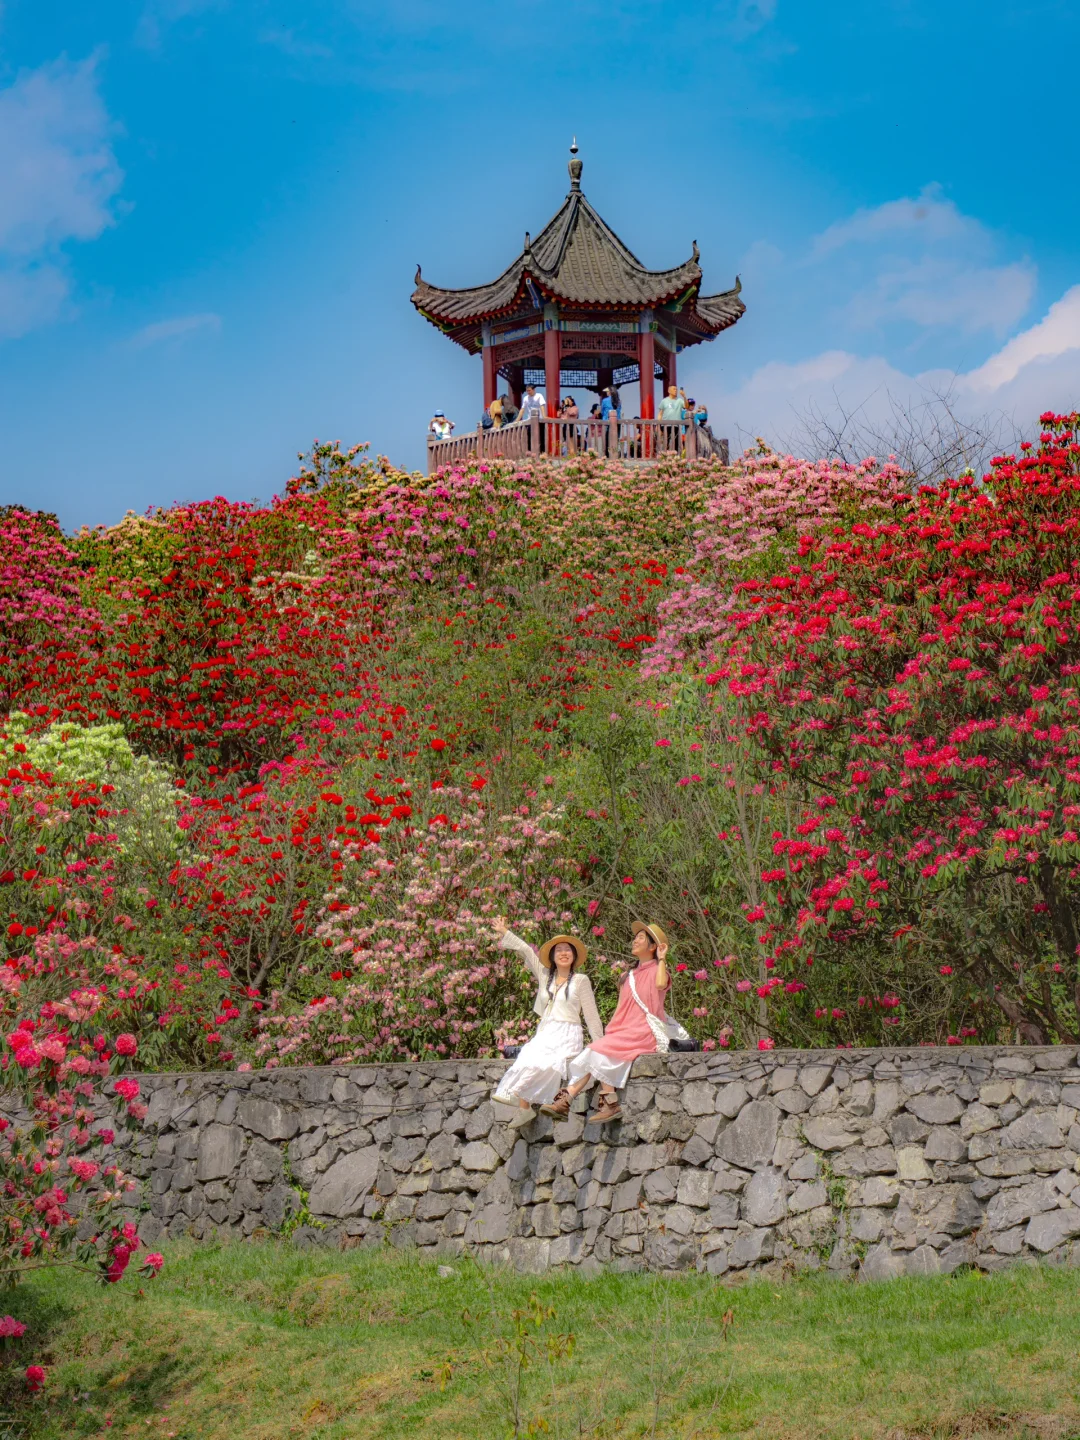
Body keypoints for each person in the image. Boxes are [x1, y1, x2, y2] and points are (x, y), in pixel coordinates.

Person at [543, 922, 673, 1124]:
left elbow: (660, 984)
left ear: (653, 946)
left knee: (597, 1050)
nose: (634, 940)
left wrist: (663, 959)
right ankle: (582, 1100)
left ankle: (579, 1100)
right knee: (594, 1052)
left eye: (640, 937)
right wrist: (612, 1031)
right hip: (624, 1032)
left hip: (644, 1031)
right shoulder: (626, 976)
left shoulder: (658, 970)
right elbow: (621, 1009)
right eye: (635, 937)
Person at [490, 918, 603, 1128]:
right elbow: (525, 950)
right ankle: (523, 1108)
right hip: (546, 1031)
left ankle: (517, 1094)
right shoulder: (545, 976)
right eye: (558, 949)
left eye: (568, 950)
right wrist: (504, 930)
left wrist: (600, 1044)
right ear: (552, 956)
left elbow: (591, 1015)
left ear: (574, 956)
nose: (563, 953)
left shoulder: (580, 980)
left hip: (567, 1033)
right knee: (528, 1054)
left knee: (545, 1060)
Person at [658, 385, 687, 453]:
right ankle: (664, 456)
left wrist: (684, 396)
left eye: (676, 389)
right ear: (669, 391)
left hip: (676, 425)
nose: (676, 390)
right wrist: (658, 425)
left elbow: (686, 406)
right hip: (665, 425)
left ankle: (675, 458)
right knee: (665, 442)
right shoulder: (664, 401)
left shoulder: (680, 400)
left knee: (676, 442)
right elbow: (660, 414)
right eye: (674, 389)